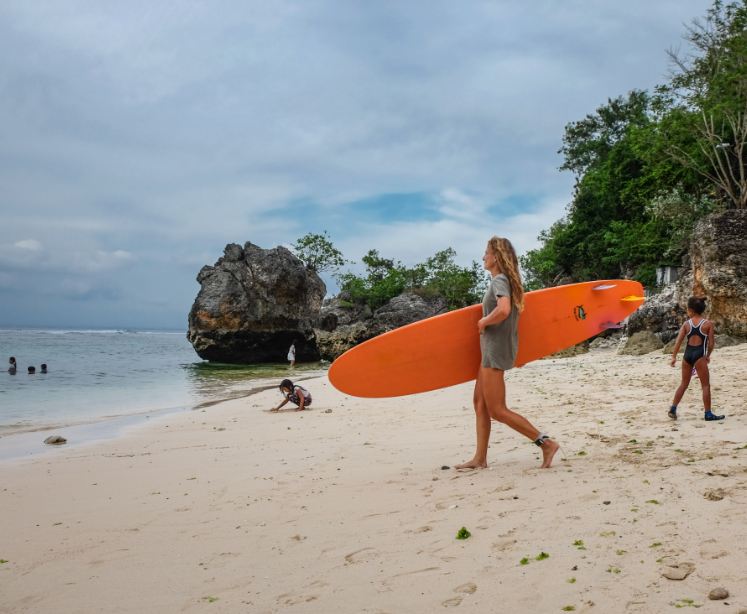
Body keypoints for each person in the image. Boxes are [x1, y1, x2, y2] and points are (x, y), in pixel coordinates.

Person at [456, 236, 560, 470]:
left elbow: (503, 310)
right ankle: (480, 459)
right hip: (492, 350)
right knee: (480, 404)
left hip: (494, 351)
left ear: (496, 257)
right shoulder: (505, 281)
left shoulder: (499, 281)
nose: (483, 257)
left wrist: (483, 321)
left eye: (486, 253)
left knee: (497, 410)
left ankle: (546, 443)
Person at [668, 296, 724, 421]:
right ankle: (708, 413)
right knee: (705, 385)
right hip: (699, 355)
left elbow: (678, 342)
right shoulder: (708, 324)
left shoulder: (686, 324)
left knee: (683, 384)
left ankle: (673, 408)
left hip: (687, 355)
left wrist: (673, 357)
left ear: (690, 310)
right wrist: (707, 356)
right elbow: (711, 344)